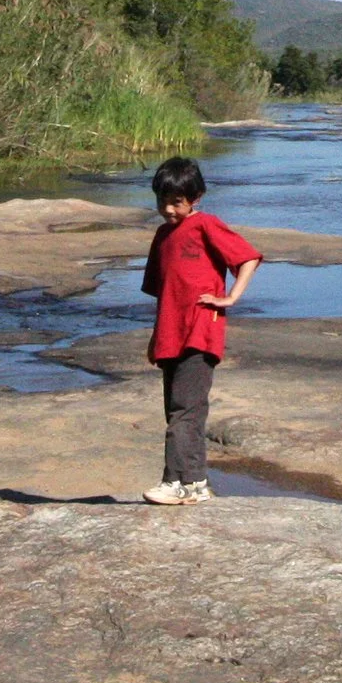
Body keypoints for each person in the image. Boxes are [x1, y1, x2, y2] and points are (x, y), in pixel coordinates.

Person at [139, 156, 261, 505]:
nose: (168, 209)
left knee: (185, 409)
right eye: (162, 202)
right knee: (179, 411)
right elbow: (163, 292)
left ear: (196, 198)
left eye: (176, 202)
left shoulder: (206, 224)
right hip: (169, 335)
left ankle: (173, 482)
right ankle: (194, 483)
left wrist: (231, 297)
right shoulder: (162, 236)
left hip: (199, 331)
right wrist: (154, 337)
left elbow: (247, 258)